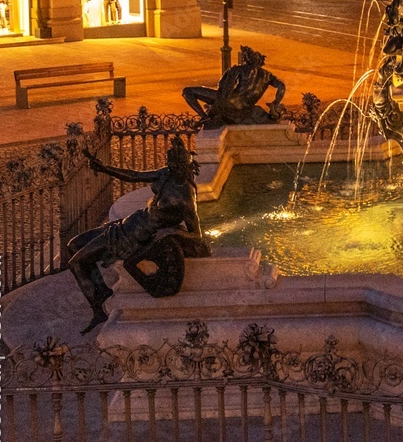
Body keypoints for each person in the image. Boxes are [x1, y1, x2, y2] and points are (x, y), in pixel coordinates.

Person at [68, 137, 207, 333]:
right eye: (170, 165)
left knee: (76, 261)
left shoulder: (184, 197)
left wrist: (171, 231)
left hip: (133, 238)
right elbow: (134, 175)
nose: (170, 168)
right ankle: (103, 292)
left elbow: (197, 235)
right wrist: (104, 168)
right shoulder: (166, 174)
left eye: (174, 166)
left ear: (184, 167)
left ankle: (98, 309)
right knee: (73, 244)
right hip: (131, 222)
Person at [182, 45, 286, 130]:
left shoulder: (238, 70)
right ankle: (206, 117)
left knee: (187, 91)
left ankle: (204, 117)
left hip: (229, 103)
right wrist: (275, 103)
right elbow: (281, 87)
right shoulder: (267, 75)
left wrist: (215, 108)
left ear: (245, 59)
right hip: (246, 108)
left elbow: (225, 91)